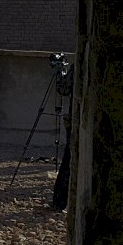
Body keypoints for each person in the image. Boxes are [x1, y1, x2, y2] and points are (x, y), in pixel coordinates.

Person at [53, 63, 74, 210]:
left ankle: (60, 201)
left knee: (68, 160)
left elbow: (63, 89)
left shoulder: (77, 67)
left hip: (74, 122)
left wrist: (60, 73)